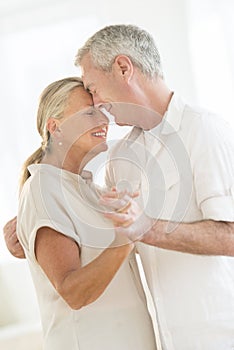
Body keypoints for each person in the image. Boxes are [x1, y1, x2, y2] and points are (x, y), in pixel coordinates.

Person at [74, 25, 234, 350]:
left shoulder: (204, 130)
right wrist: (33, 219)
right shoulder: (122, 157)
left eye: (92, 87)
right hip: (168, 339)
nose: (94, 102)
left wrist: (147, 228)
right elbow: (101, 223)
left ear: (123, 68)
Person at [11, 76, 157, 350]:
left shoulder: (90, 190)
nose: (104, 121)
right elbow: (73, 292)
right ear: (56, 128)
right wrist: (126, 237)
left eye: (102, 112)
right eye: (90, 113)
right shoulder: (43, 188)